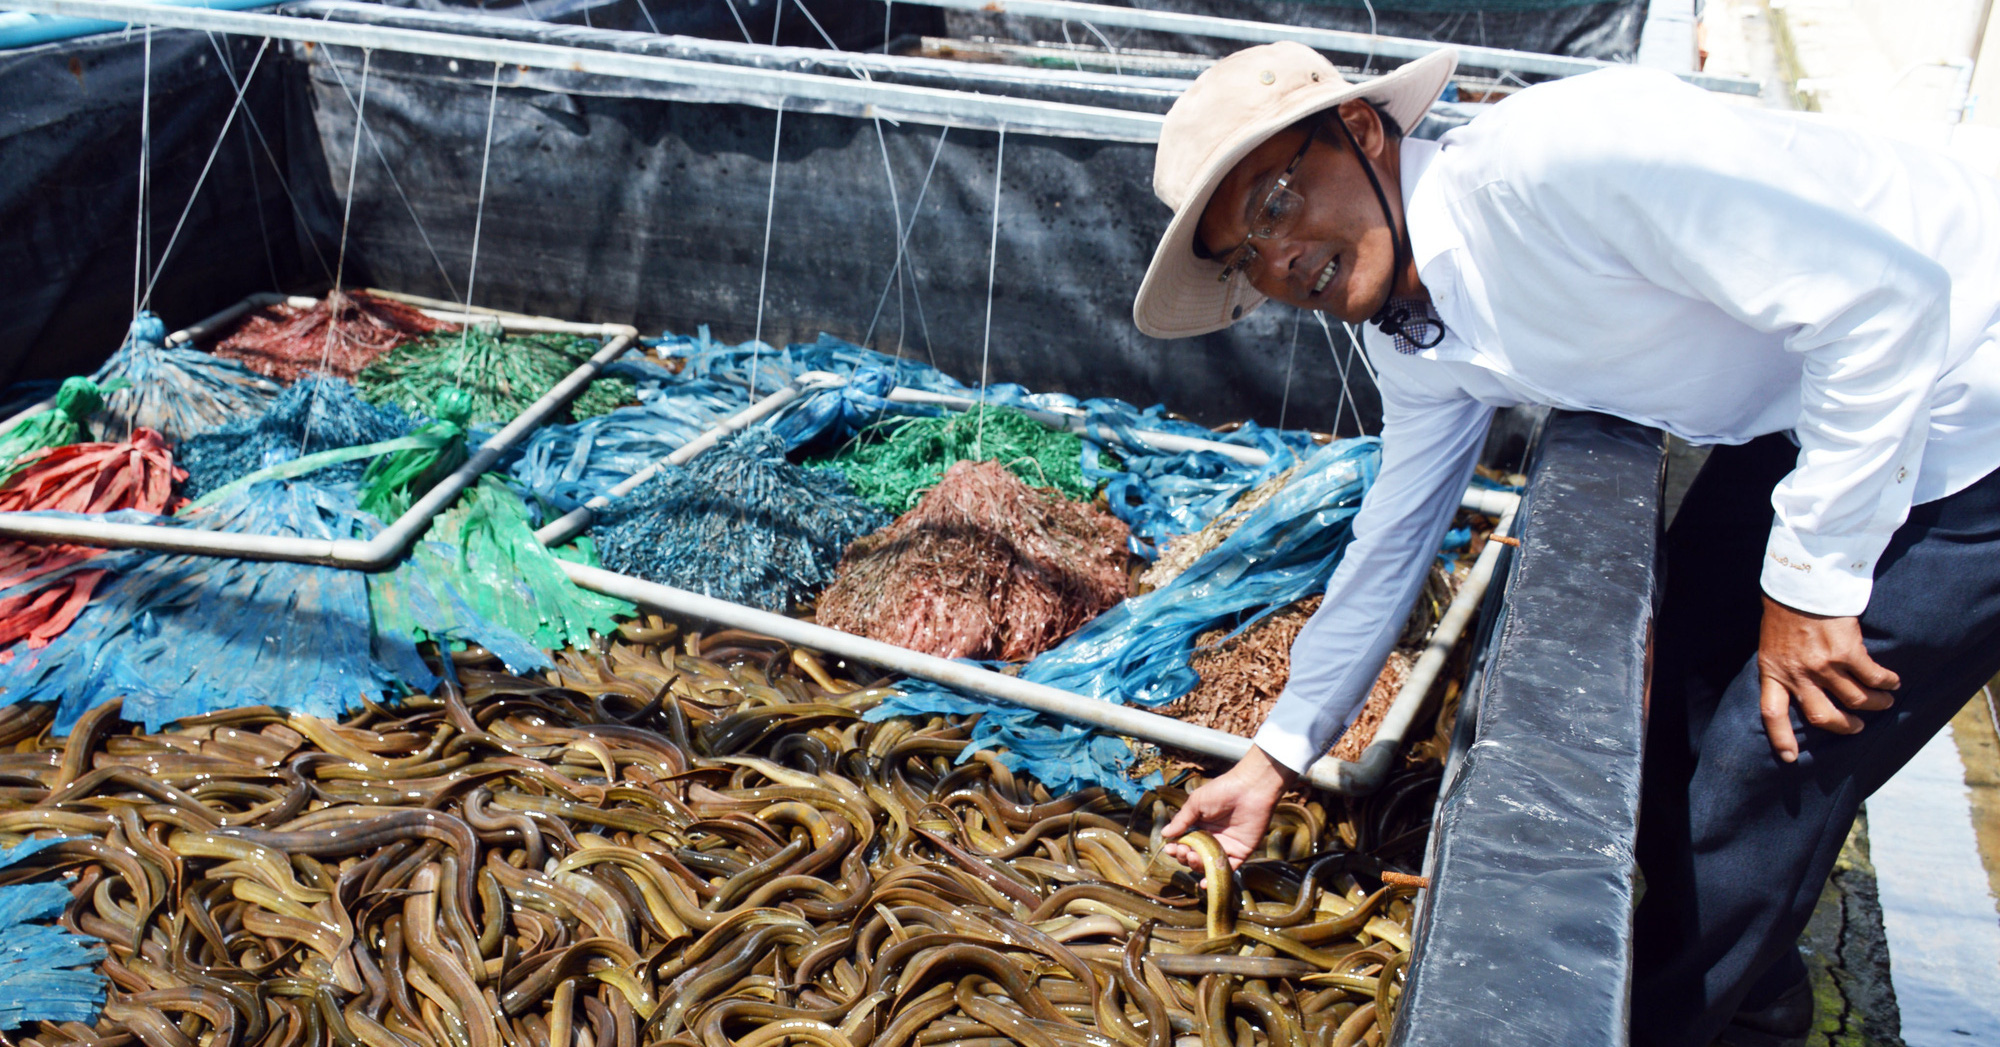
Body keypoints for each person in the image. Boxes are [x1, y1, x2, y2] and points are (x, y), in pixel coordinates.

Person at [1134, 41, 2000, 1047]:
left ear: (1361, 132)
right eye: (1244, 257)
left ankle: (1684, 1021)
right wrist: (1276, 756)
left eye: (1276, 204)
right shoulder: (1409, 333)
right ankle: (1758, 996)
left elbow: (1887, 303)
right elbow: (1395, 535)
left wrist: (1811, 584)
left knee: (1758, 772)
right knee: (1670, 701)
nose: (1278, 261)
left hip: (1964, 390)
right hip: (1814, 406)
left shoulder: (1562, 166)